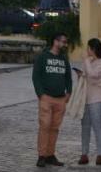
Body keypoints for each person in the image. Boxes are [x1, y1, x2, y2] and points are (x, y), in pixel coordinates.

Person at [33, 32, 74, 167]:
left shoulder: (63, 59)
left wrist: (69, 92)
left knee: (55, 127)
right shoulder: (43, 57)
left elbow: (68, 76)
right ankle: (42, 155)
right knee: (45, 125)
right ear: (55, 42)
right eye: (62, 41)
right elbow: (36, 76)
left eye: (65, 42)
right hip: (46, 98)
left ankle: (50, 155)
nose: (64, 44)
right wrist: (40, 94)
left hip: (60, 99)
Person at [77, 38, 101, 166]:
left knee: (97, 126)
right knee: (85, 127)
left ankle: (100, 154)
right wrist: (80, 74)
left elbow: (94, 75)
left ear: (93, 49)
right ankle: (84, 154)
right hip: (86, 97)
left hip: (98, 98)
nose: (87, 50)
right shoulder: (89, 61)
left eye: (88, 48)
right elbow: (86, 75)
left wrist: (86, 62)